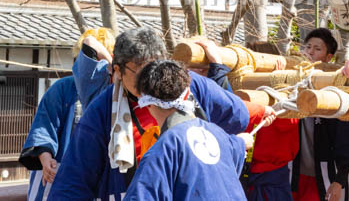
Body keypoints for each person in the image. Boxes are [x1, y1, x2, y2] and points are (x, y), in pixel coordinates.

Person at [49, 27, 249, 200]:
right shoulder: (102, 110)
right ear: (117, 71)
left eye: (155, 67)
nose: (150, 79)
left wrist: (217, 69)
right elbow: (74, 180)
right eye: (140, 72)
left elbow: (237, 117)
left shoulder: (193, 85)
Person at [122, 60, 253, 200]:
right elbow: (235, 148)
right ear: (187, 94)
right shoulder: (218, 134)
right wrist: (241, 142)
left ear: (146, 104)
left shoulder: (163, 150)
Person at [20, 29, 115, 201]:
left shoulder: (114, 91)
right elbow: (44, 125)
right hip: (57, 169)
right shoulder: (63, 87)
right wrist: (45, 157)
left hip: (96, 172)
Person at [293, 28, 349, 201]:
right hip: (296, 173)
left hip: (327, 174)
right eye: (308, 47)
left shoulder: (334, 91)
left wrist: (340, 181)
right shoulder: (293, 82)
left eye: (317, 49)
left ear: (329, 57)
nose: (310, 52)